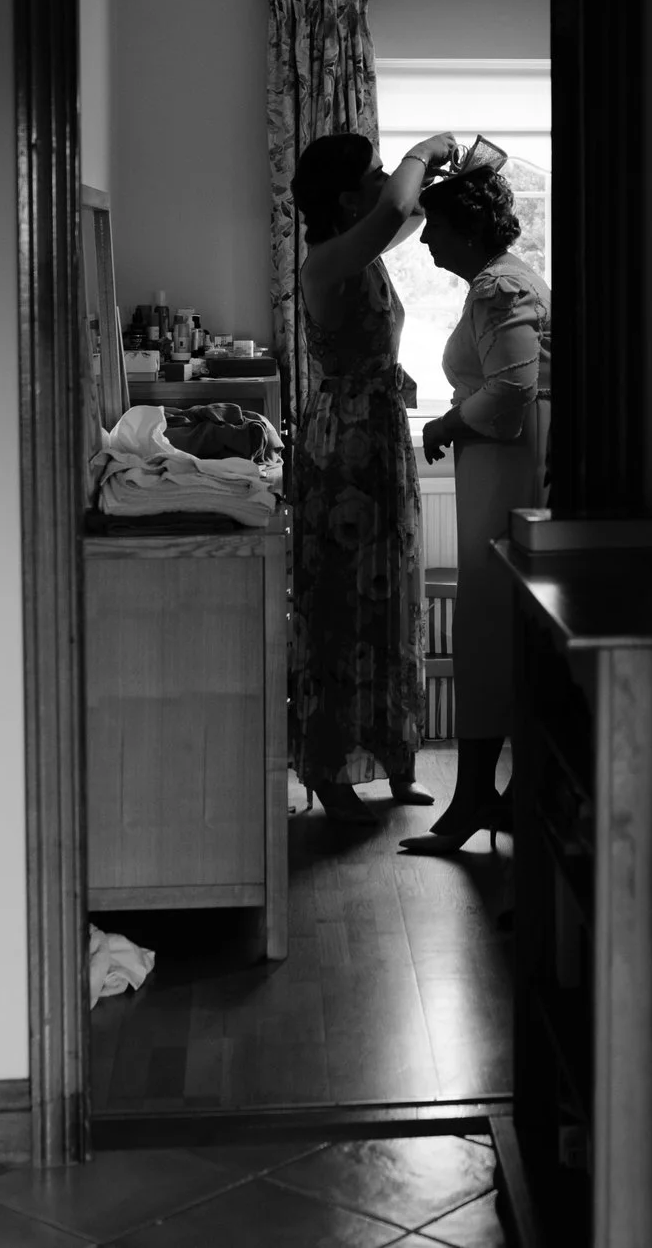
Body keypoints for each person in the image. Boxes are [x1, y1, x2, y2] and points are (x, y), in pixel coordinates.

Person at [284, 129, 460, 824]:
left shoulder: (360, 247)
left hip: (380, 436)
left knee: (390, 602)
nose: (386, 177)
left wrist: (443, 172)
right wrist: (425, 147)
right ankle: (331, 770)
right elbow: (395, 210)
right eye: (373, 171)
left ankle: (395, 758)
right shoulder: (325, 261)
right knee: (340, 609)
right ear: (344, 195)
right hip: (345, 447)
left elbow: (406, 212)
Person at [400, 159, 551, 857]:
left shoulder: (498, 288)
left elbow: (512, 393)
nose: (427, 244)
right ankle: (495, 797)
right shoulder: (504, 279)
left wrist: (443, 426)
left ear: (464, 230)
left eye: (434, 229)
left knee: (491, 625)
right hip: (501, 468)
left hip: (510, 470)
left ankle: (475, 802)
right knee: (494, 628)